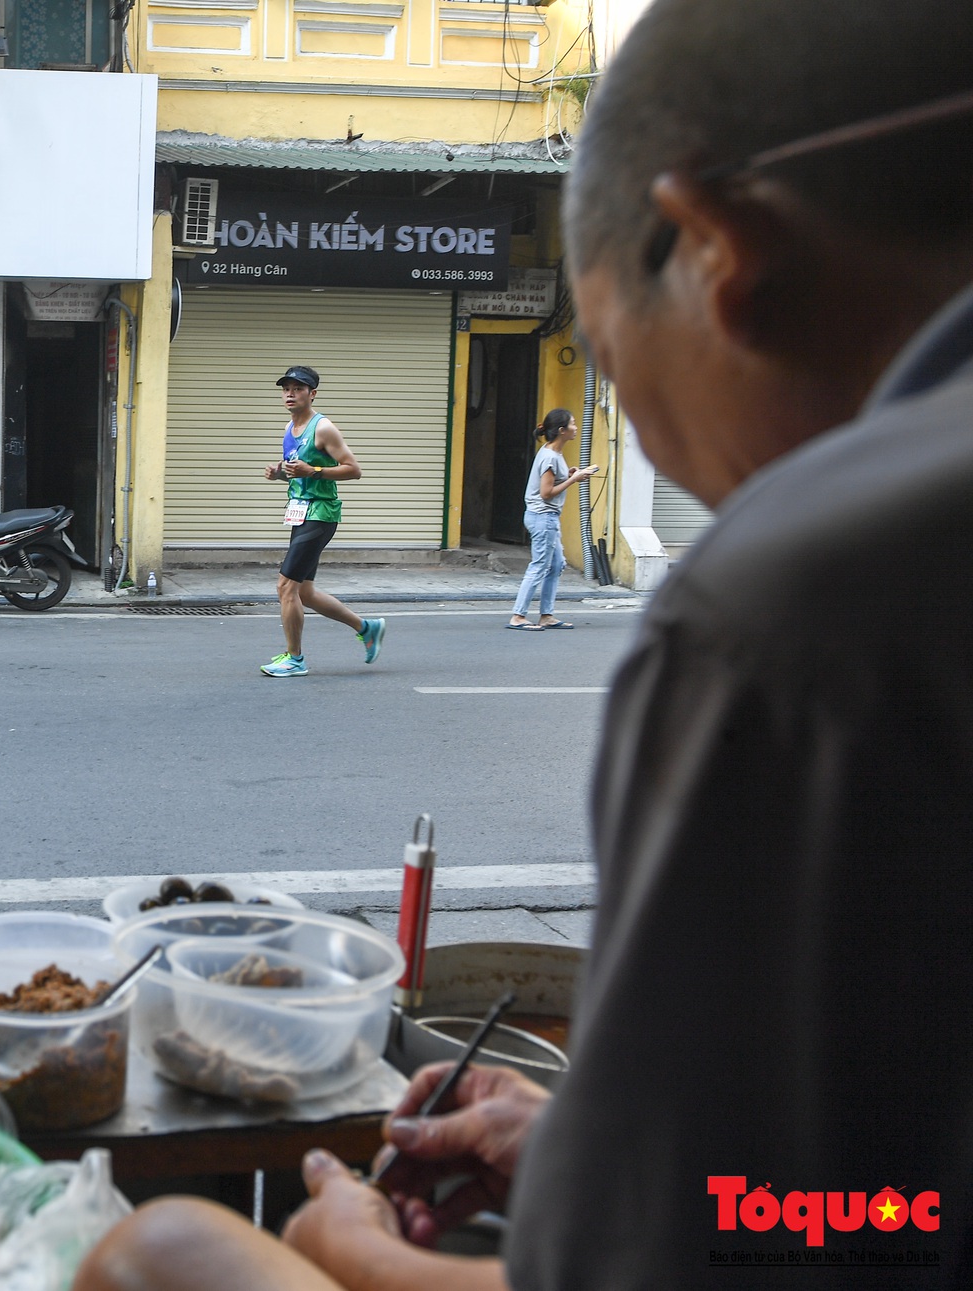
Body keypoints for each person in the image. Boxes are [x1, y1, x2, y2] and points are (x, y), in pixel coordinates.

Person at [81, 0, 973, 1286]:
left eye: (614, 357)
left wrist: (366, 1255)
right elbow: (882, 1212)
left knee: (162, 1245)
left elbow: (721, 1255)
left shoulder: (806, 611)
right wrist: (593, 1153)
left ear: (721, 253)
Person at [258, 366, 387, 677]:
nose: (290, 393)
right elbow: (299, 472)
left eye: (298, 388)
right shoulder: (290, 428)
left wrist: (313, 471)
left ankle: (295, 659)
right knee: (304, 592)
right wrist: (280, 474)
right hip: (301, 512)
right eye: (286, 388)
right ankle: (366, 628)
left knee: (285, 586)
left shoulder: (323, 428)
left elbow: (353, 469)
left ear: (311, 394)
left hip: (321, 514)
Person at [505, 410, 600, 631]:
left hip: (546, 517)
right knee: (539, 565)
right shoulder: (549, 456)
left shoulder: (553, 453)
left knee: (556, 564)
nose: (576, 428)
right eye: (573, 424)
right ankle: (518, 616)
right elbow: (546, 493)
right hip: (542, 517)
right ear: (561, 430)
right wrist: (574, 479)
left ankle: (546, 615)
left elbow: (550, 483)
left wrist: (569, 475)